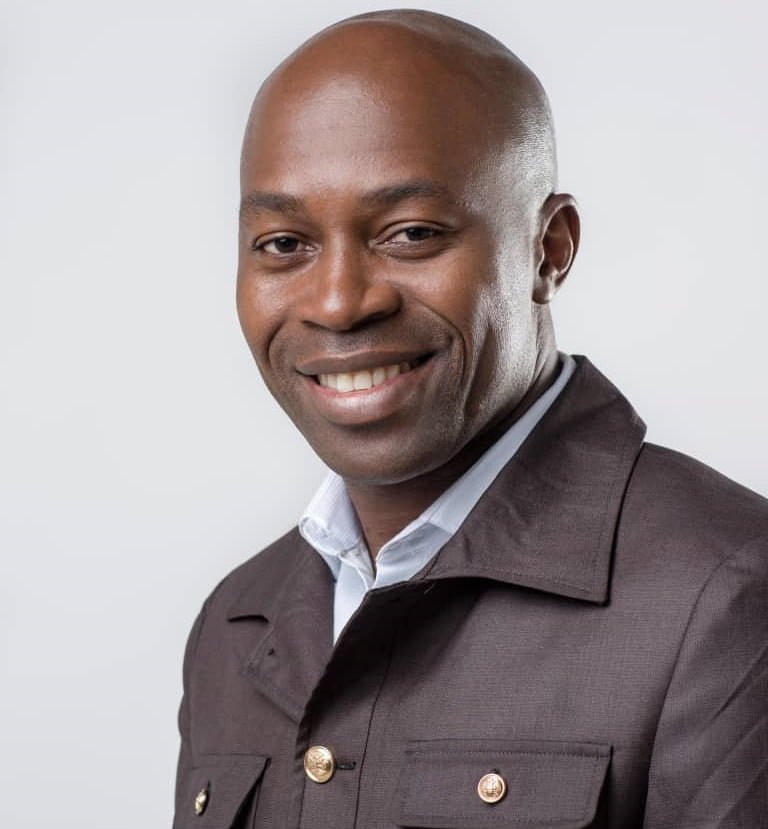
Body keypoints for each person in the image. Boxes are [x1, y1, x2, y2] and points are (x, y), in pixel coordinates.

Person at [172, 10, 768, 829]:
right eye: (283, 244)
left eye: (411, 234)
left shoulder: (726, 596)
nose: (339, 302)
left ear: (548, 249)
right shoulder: (236, 623)